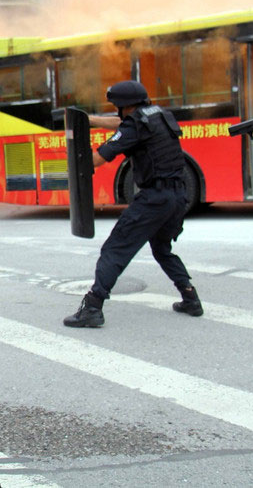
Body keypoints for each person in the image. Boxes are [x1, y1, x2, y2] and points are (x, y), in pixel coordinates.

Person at [64, 80, 202, 328]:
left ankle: (92, 307)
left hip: (154, 199)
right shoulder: (158, 114)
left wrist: (75, 158)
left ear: (121, 105)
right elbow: (125, 124)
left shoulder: (133, 126)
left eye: (115, 106)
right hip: (179, 196)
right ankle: (190, 297)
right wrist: (91, 120)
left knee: (114, 250)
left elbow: (98, 158)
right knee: (162, 249)